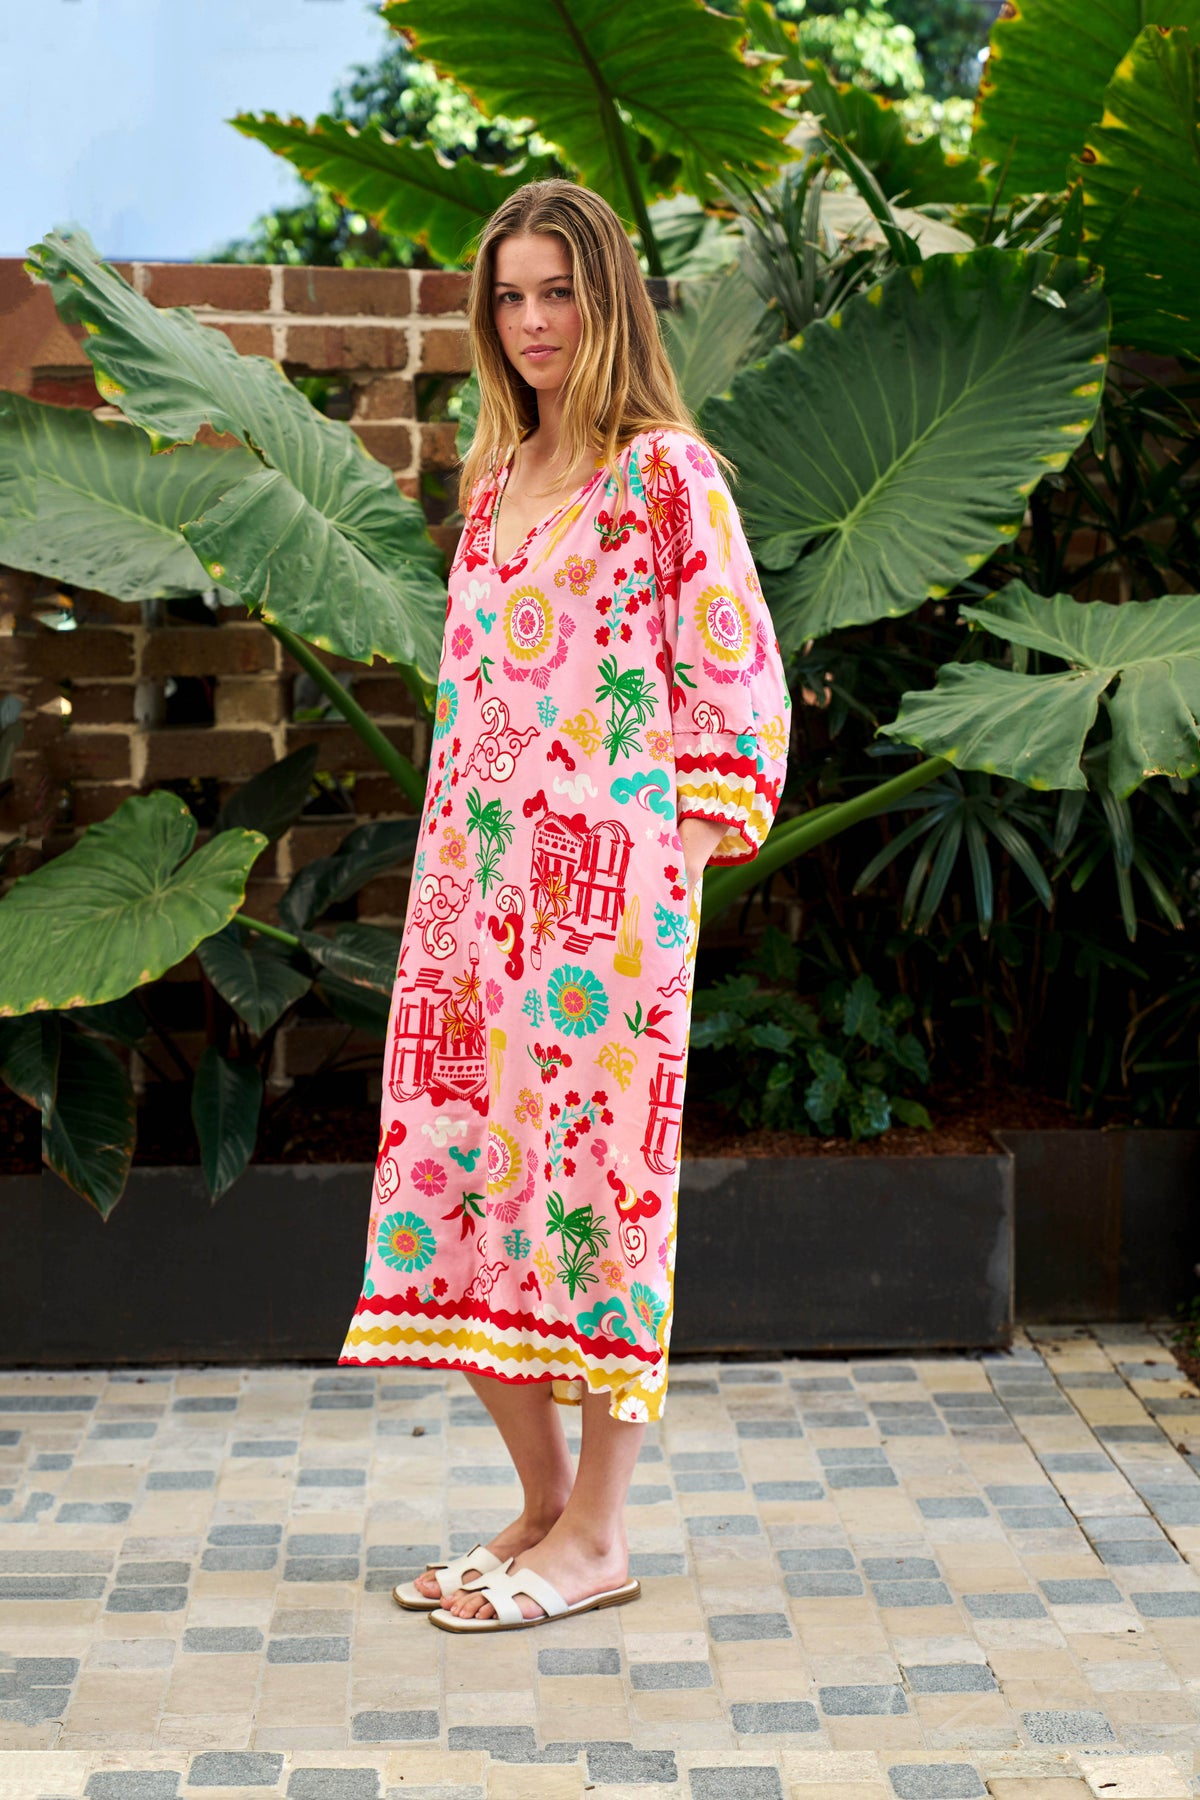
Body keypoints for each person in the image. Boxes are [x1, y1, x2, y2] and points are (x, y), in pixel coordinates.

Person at [339, 179, 789, 1633]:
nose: (533, 322)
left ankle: (599, 1533)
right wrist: (463, 879)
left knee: (594, 1202)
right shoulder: (494, 483)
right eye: (511, 297)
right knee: (460, 1183)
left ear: (608, 304)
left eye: (559, 293)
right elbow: (476, 707)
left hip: (605, 918)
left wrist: (667, 863)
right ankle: (539, 1506)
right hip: (470, 909)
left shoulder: (665, 475)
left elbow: (737, 680)